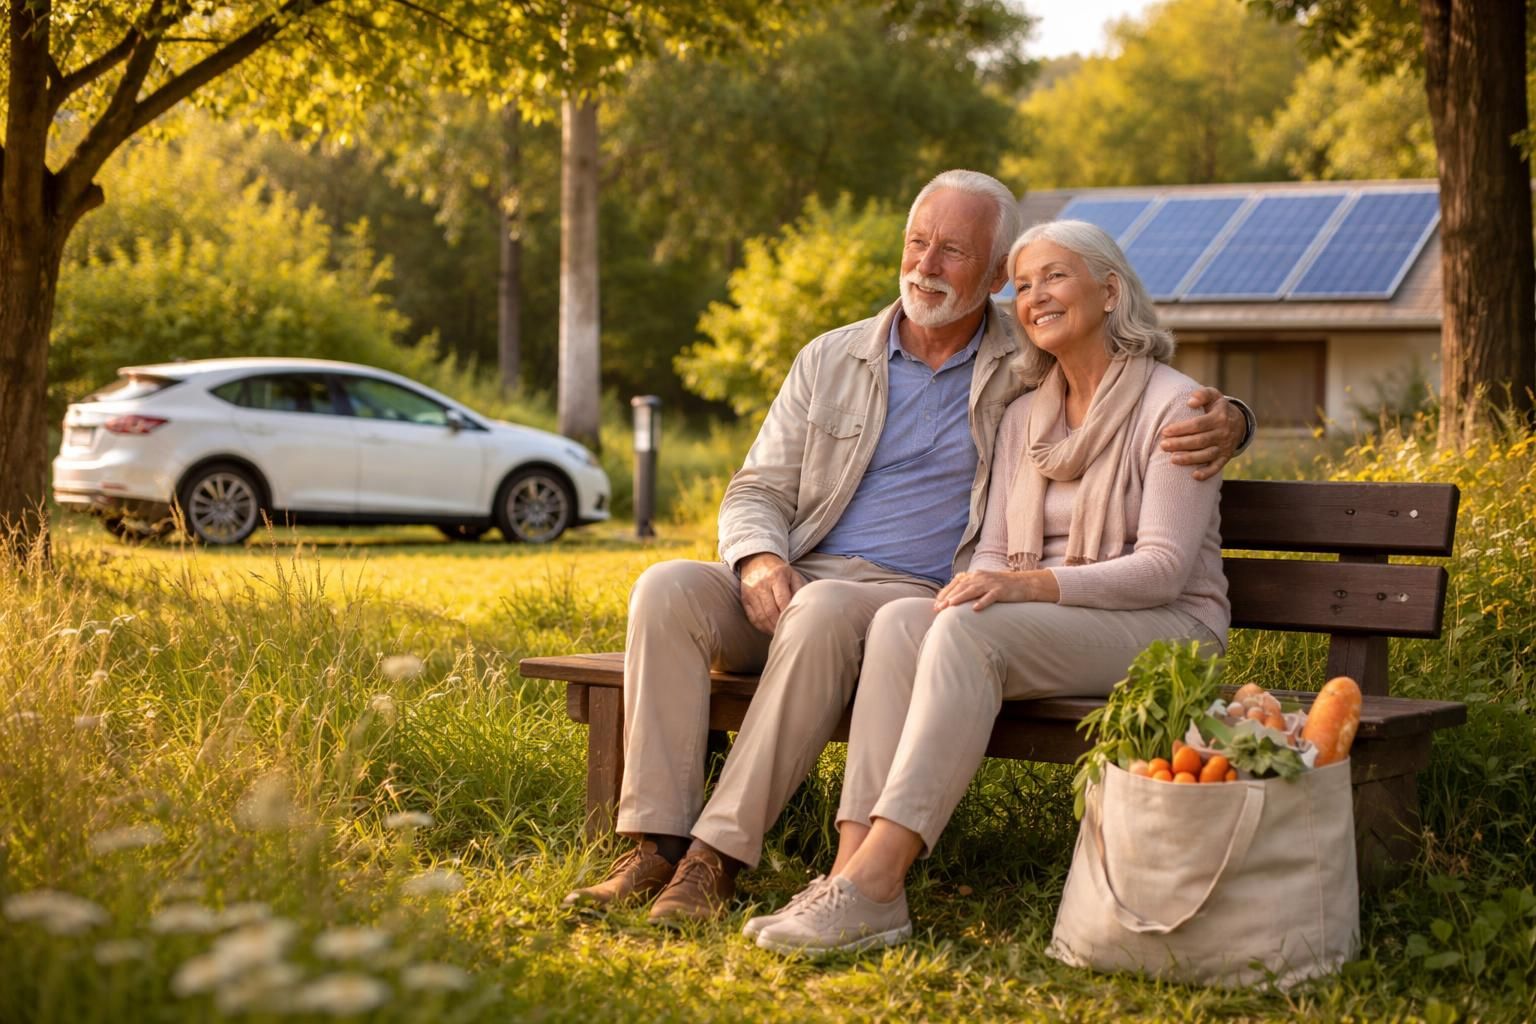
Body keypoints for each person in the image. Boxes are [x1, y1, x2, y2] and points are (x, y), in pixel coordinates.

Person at [561, 174, 1248, 925]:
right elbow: (756, 488)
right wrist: (759, 558)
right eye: (918, 243)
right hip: (801, 572)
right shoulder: (831, 358)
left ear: (992, 279)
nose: (926, 264)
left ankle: (714, 858)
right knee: (666, 588)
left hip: (906, 593)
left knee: (822, 609)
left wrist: (1233, 420)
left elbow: (1128, 361)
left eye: (954, 252)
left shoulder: (1026, 353)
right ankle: (655, 844)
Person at [748, 219, 1231, 956]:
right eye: (1025, 283)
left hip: (1165, 628)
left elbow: (1163, 568)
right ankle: (848, 870)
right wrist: (997, 582)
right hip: (1058, 624)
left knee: (970, 628)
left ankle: (878, 882)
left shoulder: (1179, 408)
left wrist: (1025, 586)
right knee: (907, 620)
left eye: (1057, 277)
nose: (1035, 297)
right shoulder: (1023, 417)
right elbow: (998, 551)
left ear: (1109, 291)